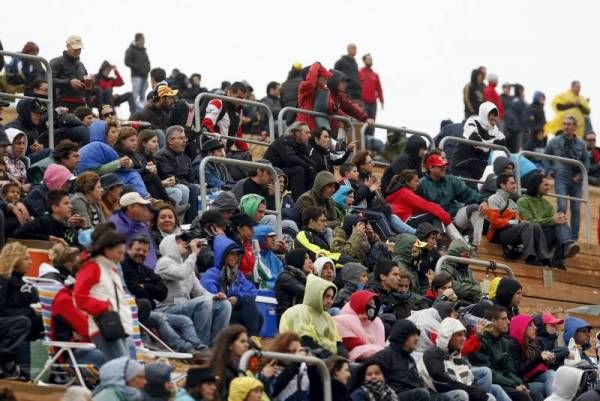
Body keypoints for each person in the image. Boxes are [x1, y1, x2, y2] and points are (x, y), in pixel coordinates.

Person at [122, 235, 205, 353]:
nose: (141, 253)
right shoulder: (125, 265)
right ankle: (184, 348)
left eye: (144, 251)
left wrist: (145, 286)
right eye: (138, 249)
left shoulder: (145, 269)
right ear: (128, 249)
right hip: (133, 312)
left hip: (149, 310)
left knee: (184, 320)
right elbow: (134, 289)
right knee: (159, 318)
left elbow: (162, 293)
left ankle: (198, 345)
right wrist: (150, 290)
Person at [156, 233, 232, 346]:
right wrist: (194, 254)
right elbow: (181, 274)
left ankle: (217, 346)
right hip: (168, 309)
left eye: (184, 241)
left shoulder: (187, 265)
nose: (183, 243)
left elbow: (199, 291)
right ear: (169, 245)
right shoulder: (163, 262)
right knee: (205, 301)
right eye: (178, 241)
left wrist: (215, 296)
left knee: (224, 304)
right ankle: (201, 345)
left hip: (184, 305)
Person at [74, 225, 135, 360]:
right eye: (119, 253)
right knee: (122, 369)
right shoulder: (92, 267)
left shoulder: (110, 269)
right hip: (104, 326)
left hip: (117, 325)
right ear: (108, 250)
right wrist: (104, 306)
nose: (122, 258)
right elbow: (79, 297)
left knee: (123, 369)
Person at [469, 305, 542, 401]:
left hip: (505, 381)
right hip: (491, 383)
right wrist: (513, 385)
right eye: (504, 319)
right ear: (493, 322)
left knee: (536, 395)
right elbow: (490, 373)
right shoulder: (481, 342)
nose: (508, 322)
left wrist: (519, 383)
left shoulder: (504, 342)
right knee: (523, 396)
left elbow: (509, 370)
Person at [418, 153, 488, 252]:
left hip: (455, 219)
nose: (444, 168)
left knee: (477, 208)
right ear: (431, 168)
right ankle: (440, 245)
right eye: (440, 166)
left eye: (444, 165)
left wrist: (483, 201)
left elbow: (469, 194)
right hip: (436, 223)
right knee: (436, 216)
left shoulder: (452, 180)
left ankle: (474, 246)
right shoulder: (421, 184)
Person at [201, 234, 262, 336]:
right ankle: (253, 339)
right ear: (223, 255)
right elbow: (212, 298)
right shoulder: (211, 275)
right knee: (250, 309)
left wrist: (237, 298)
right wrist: (229, 300)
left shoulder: (237, 274)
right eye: (232, 254)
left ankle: (250, 340)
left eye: (238, 254)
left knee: (259, 317)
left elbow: (253, 291)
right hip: (217, 316)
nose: (236, 257)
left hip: (231, 313)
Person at [486, 174, 552, 266]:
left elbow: (519, 220)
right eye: (512, 183)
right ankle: (530, 257)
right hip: (497, 234)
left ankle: (545, 258)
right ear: (502, 185)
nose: (515, 186)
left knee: (535, 226)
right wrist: (516, 222)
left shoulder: (512, 202)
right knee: (527, 225)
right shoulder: (494, 199)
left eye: (515, 183)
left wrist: (520, 221)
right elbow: (495, 222)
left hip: (509, 231)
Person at [517, 173, 580, 269]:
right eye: (546, 185)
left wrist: (559, 218)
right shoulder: (523, 201)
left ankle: (562, 254)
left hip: (546, 238)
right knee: (558, 223)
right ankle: (564, 250)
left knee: (561, 222)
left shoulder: (547, 204)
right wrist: (552, 220)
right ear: (536, 185)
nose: (549, 187)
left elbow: (554, 221)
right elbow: (529, 223)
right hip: (532, 238)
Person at [420, 317, 491, 401]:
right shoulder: (432, 354)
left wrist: (476, 391)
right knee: (462, 395)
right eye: (459, 335)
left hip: (457, 389)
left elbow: (468, 379)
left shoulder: (456, 354)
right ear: (448, 336)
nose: (464, 338)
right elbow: (444, 384)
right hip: (435, 394)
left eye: (464, 335)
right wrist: (472, 391)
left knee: (490, 396)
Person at [0, 242, 42, 377]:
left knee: (43, 323)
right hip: (6, 322)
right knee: (23, 322)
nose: (31, 262)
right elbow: (2, 311)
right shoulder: (3, 280)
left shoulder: (27, 285)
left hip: (16, 324)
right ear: (15, 259)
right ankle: (4, 362)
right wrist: (30, 311)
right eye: (27, 258)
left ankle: (39, 372)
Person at [544, 116, 590, 240]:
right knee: (562, 207)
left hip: (576, 180)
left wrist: (580, 176)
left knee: (575, 209)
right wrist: (550, 171)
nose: (566, 126)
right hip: (561, 178)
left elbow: (586, 162)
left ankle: (574, 238)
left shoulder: (581, 143)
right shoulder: (554, 141)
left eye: (569, 124)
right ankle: (563, 236)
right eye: (564, 124)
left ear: (575, 127)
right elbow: (545, 156)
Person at [78, 120, 150, 198]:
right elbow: (120, 167)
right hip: (89, 179)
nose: (116, 135)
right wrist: (123, 164)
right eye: (113, 132)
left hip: (89, 178)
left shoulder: (94, 146)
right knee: (132, 175)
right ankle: (146, 197)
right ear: (104, 134)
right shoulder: (101, 146)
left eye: (116, 132)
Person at [279, 274, 345, 358]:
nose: (330, 301)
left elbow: (338, 342)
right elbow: (306, 342)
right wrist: (331, 357)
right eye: (327, 296)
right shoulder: (300, 311)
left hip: (327, 358)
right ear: (317, 294)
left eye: (332, 298)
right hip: (307, 359)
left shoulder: (327, 317)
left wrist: (343, 355)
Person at [371, 320, 437, 401]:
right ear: (402, 336)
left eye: (417, 335)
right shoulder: (384, 356)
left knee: (450, 396)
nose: (417, 338)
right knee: (421, 394)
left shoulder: (410, 359)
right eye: (413, 335)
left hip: (412, 395)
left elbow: (418, 385)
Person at [115, 127, 173, 204]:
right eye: (132, 140)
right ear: (122, 140)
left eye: (136, 140)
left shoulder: (133, 153)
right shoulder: (118, 154)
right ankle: (167, 202)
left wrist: (149, 169)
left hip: (141, 182)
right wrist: (146, 169)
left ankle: (164, 205)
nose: (135, 143)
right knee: (153, 179)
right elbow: (130, 172)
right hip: (127, 182)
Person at [156, 125, 201, 223]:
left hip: (184, 184)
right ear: (170, 141)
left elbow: (192, 177)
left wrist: (197, 183)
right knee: (191, 189)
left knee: (200, 188)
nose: (184, 141)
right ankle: (190, 222)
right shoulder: (161, 156)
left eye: (185, 138)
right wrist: (192, 185)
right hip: (168, 187)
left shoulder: (185, 158)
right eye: (181, 138)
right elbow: (169, 178)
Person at [452, 102, 506, 182]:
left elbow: (503, 142)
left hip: (477, 172)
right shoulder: (472, 121)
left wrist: (486, 144)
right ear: (484, 115)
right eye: (491, 119)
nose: (493, 123)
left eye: (495, 120)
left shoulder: (494, 130)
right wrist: (491, 143)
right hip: (461, 167)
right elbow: (475, 141)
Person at [134, 129, 187, 210]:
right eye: (154, 142)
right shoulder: (138, 158)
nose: (157, 144)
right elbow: (143, 179)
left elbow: (157, 177)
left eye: (157, 142)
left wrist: (168, 181)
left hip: (157, 186)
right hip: (146, 190)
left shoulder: (152, 157)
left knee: (184, 189)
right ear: (144, 143)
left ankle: (179, 218)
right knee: (177, 192)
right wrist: (162, 183)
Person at [264, 122, 317, 199]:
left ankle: (310, 199)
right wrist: (308, 166)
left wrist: (313, 165)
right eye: (307, 132)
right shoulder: (284, 141)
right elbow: (290, 159)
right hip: (271, 170)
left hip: (283, 170)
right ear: (297, 133)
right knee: (299, 170)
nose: (310, 135)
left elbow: (304, 158)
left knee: (311, 170)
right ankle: (299, 201)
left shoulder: (301, 144)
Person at [508, 314, 556, 398]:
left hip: (532, 379)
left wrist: (548, 361)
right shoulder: (513, 344)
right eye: (530, 325)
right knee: (548, 382)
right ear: (521, 327)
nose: (535, 328)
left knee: (551, 375)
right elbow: (519, 370)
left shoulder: (533, 343)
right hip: (519, 383)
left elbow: (537, 365)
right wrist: (539, 358)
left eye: (534, 325)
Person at [386, 169, 452, 229]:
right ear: (407, 182)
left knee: (434, 214)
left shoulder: (398, 191)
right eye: (416, 181)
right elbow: (425, 205)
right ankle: (440, 239)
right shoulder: (405, 192)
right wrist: (446, 217)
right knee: (435, 214)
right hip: (406, 220)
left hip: (401, 220)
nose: (418, 183)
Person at [332, 290, 385, 362]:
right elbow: (354, 346)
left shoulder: (376, 322)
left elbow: (381, 345)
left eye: (375, 304)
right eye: (371, 304)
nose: (374, 307)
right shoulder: (342, 320)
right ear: (361, 304)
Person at [15, 189, 81, 246]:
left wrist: (83, 227)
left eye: (70, 203)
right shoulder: (43, 222)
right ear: (55, 207)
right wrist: (47, 238)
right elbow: (19, 233)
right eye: (66, 203)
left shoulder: (67, 225)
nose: (71, 206)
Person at [109, 192, 157, 267]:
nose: (144, 208)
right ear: (130, 207)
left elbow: (151, 253)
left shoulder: (141, 224)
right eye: (141, 205)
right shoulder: (115, 225)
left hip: (152, 271)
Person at [209, 324, 249, 400]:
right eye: (242, 342)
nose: (247, 345)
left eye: (247, 341)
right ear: (230, 345)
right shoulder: (219, 369)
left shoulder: (244, 366)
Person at [50, 35, 89, 110]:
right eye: (75, 48)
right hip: (63, 103)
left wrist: (89, 84)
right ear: (67, 46)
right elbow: (48, 80)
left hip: (81, 104)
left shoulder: (81, 66)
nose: (77, 50)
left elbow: (88, 90)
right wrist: (69, 83)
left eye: (79, 48)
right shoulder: (56, 61)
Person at [439, 239, 482, 304]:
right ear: (456, 254)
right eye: (466, 254)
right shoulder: (445, 268)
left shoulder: (468, 271)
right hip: (452, 304)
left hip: (469, 303)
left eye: (469, 254)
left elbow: (478, 288)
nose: (468, 256)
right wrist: (472, 290)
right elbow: (451, 286)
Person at [275, 249, 313, 320]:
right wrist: (313, 276)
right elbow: (306, 293)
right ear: (297, 260)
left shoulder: (301, 277)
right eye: (305, 258)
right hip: (286, 321)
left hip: (298, 319)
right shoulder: (285, 276)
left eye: (309, 258)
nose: (310, 261)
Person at [124, 33, 151, 112]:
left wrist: (148, 68)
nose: (144, 41)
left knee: (143, 96)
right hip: (136, 76)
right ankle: (134, 113)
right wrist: (138, 68)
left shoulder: (143, 51)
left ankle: (142, 112)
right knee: (135, 95)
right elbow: (127, 61)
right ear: (139, 39)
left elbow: (147, 62)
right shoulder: (131, 49)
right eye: (143, 39)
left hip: (145, 76)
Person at [359, 53, 384, 131]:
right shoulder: (359, 73)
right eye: (369, 59)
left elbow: (379, 88)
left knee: (372, 123)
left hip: (373, 104)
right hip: (363, 103)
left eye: (371, 59)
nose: (370, 61)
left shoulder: (375, 75)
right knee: (363, 121)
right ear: (364, 61)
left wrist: (382, 100)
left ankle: (371, 139)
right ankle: (363, 139)